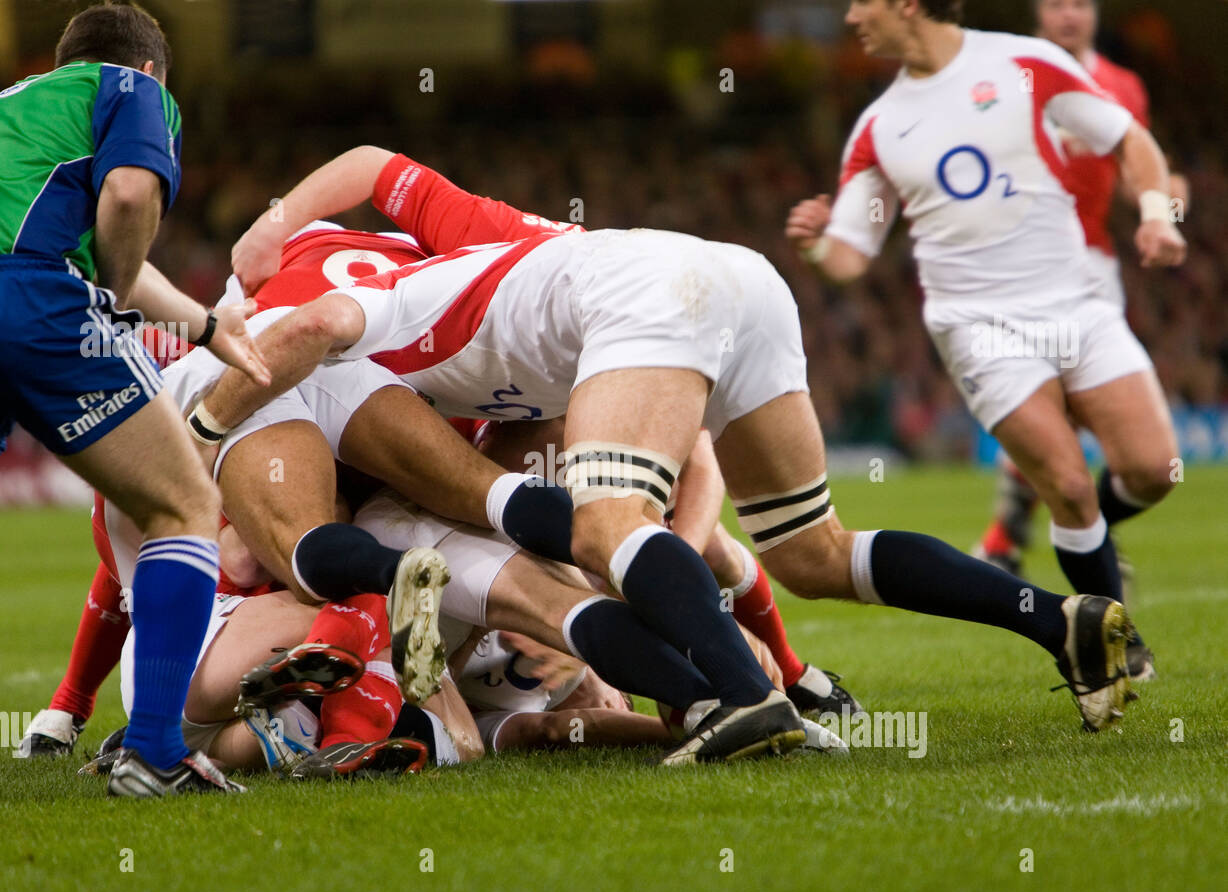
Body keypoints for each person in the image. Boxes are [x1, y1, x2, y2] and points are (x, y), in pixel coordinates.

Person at [193, 147, 1140, 753]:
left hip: (647, 299)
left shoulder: (382, 317)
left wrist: (197, 434)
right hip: (737, 281)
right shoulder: (472, 241)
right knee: (810, 549)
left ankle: (741, 697)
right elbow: (374, 165)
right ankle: (1059, 618)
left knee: (610, 526)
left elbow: (316, 323)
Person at [786, 0, 1184, 683]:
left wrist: (1156, 214)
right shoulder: (879, 126)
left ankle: (1089, 574)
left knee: (1152, 469)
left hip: (1079, 300)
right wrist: (819, 245)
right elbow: (852, 255)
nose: (852, 17)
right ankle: (1112, 642)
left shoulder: (1025, 65)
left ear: (908, 4)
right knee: (1066, 484)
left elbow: (1130, 140)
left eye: (862, 3)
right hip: (979, 325)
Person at [0, 2, 270, 795]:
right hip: (31, 305)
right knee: (184, 504)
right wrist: (104, 302)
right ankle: (155, 750)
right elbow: (126, 199)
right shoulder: (132, 84)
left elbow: (91, 232)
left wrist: (208, 326)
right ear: (150, 68)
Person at [974, 0, 1188, 619]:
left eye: (1080, 3)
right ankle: (1011, 542)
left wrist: (1164, 207)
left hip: (1091, 269)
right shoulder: (1006, 77)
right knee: (1048, 415)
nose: (1069, 14)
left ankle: (1038, 537)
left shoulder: (1120, 86)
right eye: (1056, 3)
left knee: (1127, 447)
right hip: (1016, 273)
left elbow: (1136, 176)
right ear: (1037, 12)